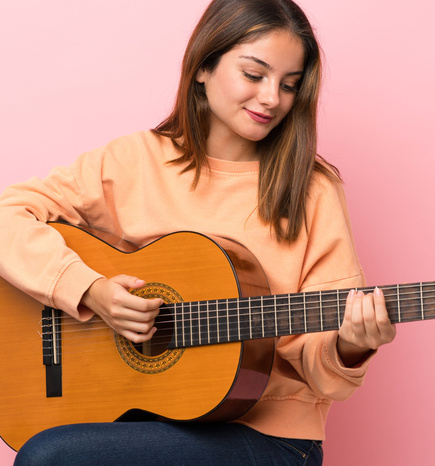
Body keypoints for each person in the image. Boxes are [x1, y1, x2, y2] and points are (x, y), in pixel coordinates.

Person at [0, 0, 396, 464]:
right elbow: (9, 216)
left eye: (290, 85)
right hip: (144, 419)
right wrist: (90, 291)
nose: (272, 98)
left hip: (269, 438)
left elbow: (321, 366)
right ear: (204, 66)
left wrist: (350, 345)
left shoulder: (313, 190)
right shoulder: (135, 161)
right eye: (254, 75)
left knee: (50, 458)